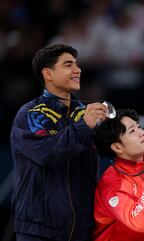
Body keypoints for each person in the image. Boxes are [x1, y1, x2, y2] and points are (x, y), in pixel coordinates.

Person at [10, 44, 108, 241]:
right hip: (40, 229)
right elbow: (46, 153)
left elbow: (112, 149)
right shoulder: (31, 113)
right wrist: (84, 126)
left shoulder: (85, 113)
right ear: (48, 73)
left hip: (82, 227)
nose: (77, 70)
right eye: (68, 64)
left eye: (77, 64)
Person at [92, 109, 144, 241]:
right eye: (132, 131)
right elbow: (139, 223)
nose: (142, 133)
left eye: (139, 127)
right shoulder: (112, 183)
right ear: (117, 147)